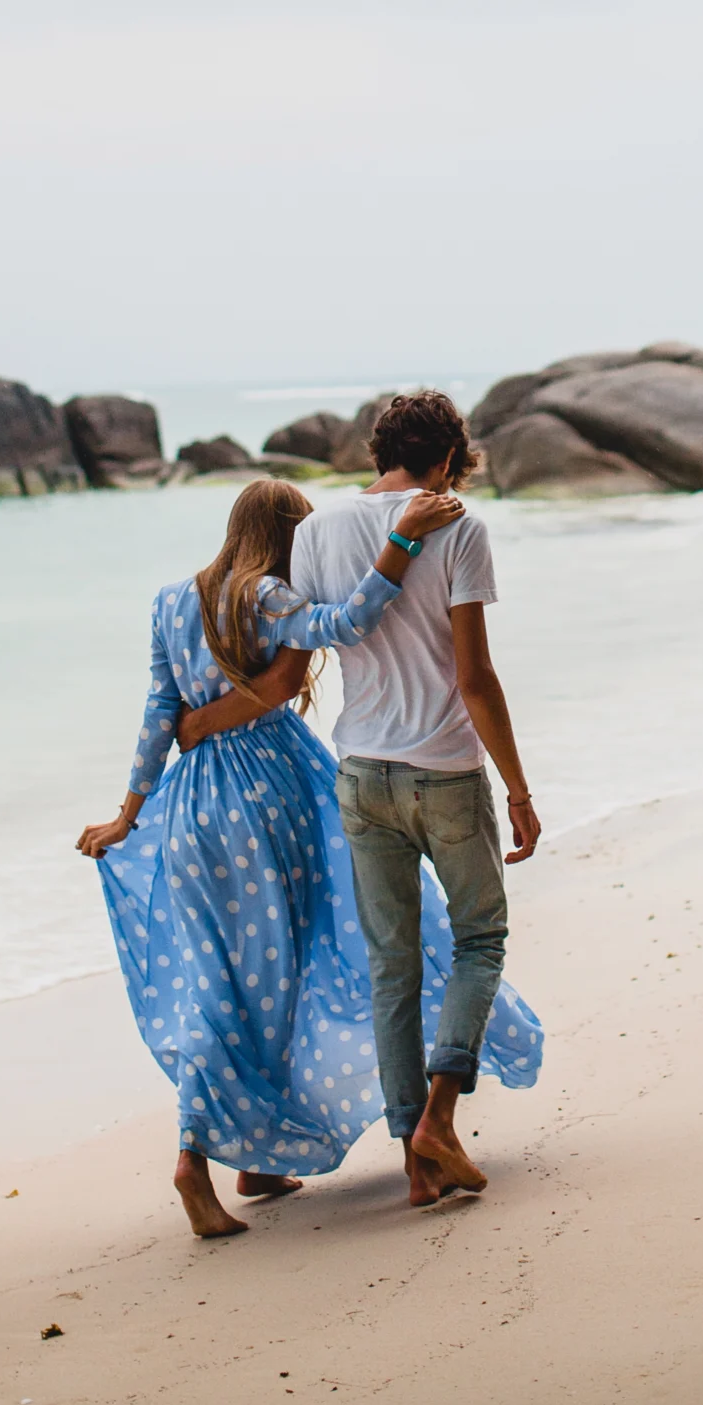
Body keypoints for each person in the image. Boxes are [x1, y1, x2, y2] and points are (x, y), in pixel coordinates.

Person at [75, 477, 538, 1239]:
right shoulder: (267, 598)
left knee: (220, 985)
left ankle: (240, 1160)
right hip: (270, 797)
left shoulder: (168, 600)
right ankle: (204, 1159)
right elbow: (351, 618)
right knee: (290, 973)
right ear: (287, 536)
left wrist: (130, 812)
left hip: (192, 807)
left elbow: (162, 713)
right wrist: (402, 543)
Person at [179, 392, 543, 1208]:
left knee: (392, 968)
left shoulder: (313, 533)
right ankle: (437, 1125)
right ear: (447, 459)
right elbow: (473, 677)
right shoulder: (457, 525)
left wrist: (199, 720)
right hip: (443, 769)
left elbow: (310, 645)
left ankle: (416, 1163)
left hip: (359, 772)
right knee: (480, 941)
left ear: (379, 452)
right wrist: (517, 787)